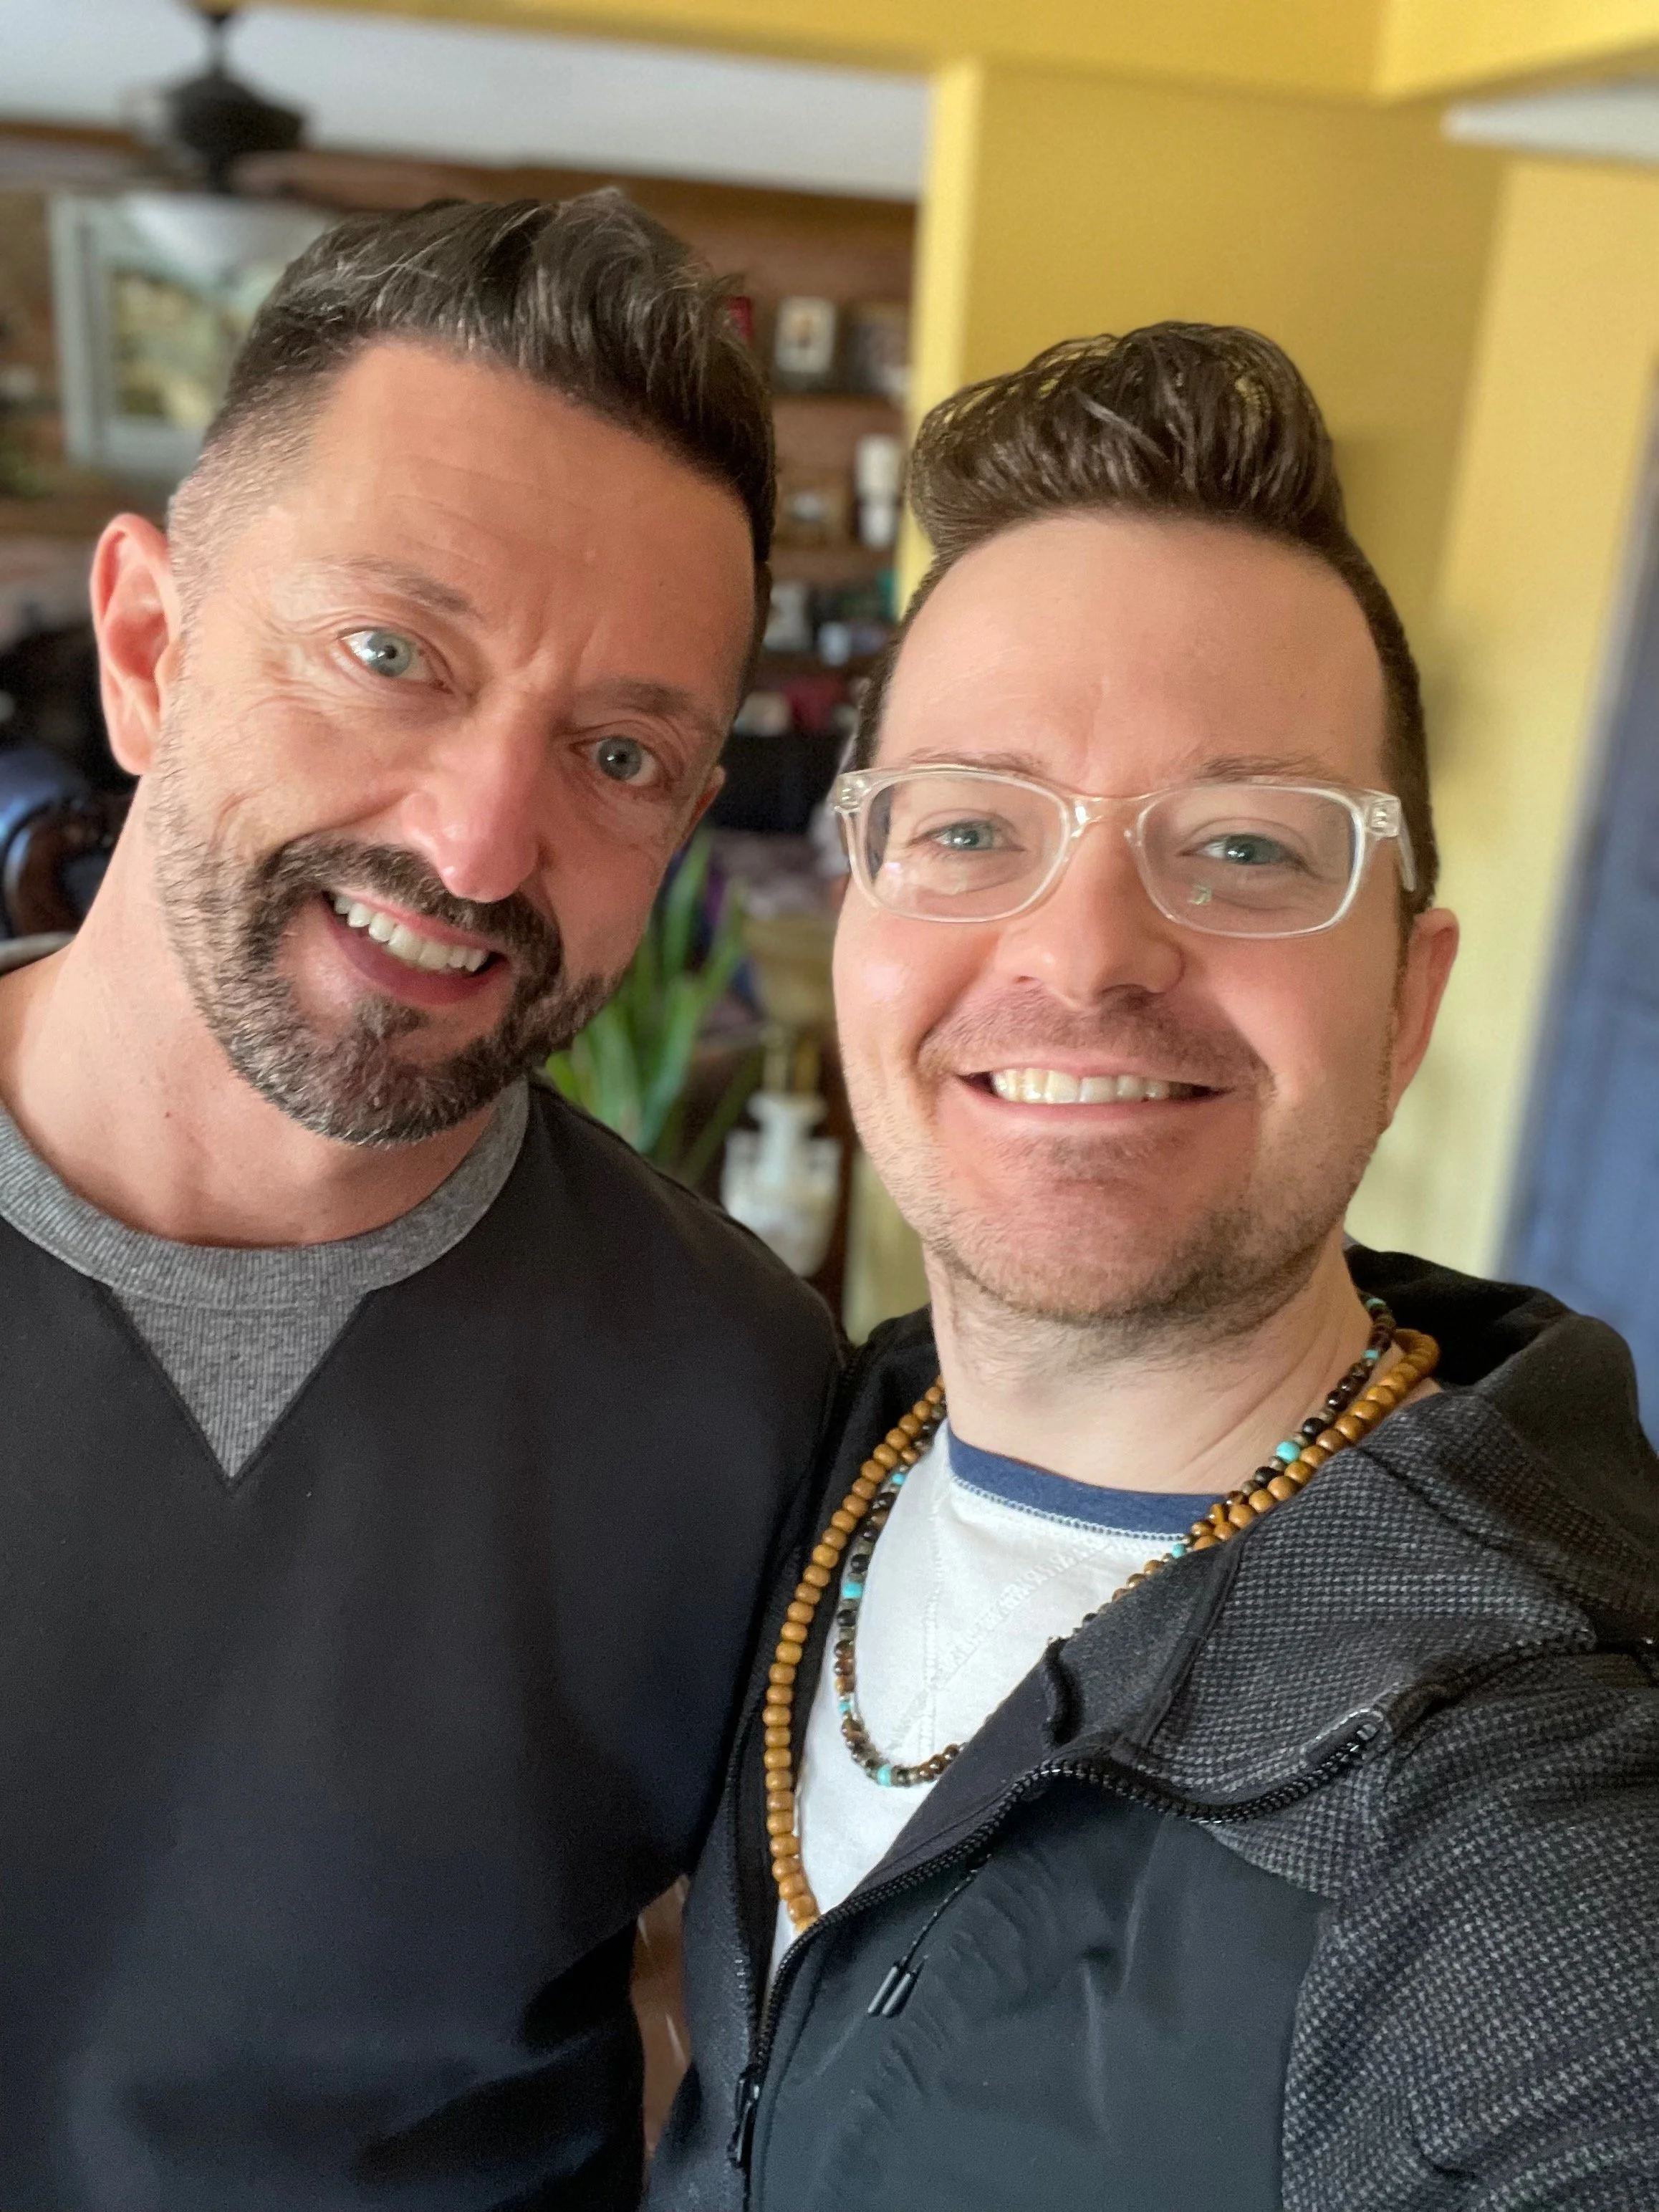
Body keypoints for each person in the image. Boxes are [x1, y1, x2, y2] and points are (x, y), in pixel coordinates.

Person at [649, 325, 1659, 2212]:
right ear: (857, 921)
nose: (1088, 953)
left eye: (1249, 848)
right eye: (966, 828)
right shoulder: (813, 1444)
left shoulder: (1528, 1828)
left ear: (1404, 998)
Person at [0, 193, 841, 2212]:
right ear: (147, 646)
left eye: (621, 752)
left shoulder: (743, 1410)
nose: (478, 839)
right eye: (393, 654)